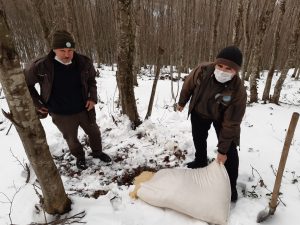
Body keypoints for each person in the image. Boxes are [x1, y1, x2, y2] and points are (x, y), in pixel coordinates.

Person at [25, 30, 112, 170]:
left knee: (94, 132)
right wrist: (38, 103)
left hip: (85, 108)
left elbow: (91, 81)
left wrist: (92, 98)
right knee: (71, 139)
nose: (67, 54)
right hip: (61, 113)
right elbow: (26, 85)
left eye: (70, 50)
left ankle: (98, 152)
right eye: (62, 50)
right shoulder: (41, 66)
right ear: (54, 49)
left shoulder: (83, 62)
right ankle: (80, 157)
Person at [177, 46, 247, 202]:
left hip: (222, 118)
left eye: (229, 68)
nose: (223, 70)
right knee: (198, 137)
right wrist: (182, 101)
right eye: (220, 66)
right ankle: (200, 160)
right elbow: (188, 84)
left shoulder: (238, 91)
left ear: (236, 71)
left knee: (229, 149)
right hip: (199, 110)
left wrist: (222, 151)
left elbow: (232, 124)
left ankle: (230, 186)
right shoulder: (203, 70)